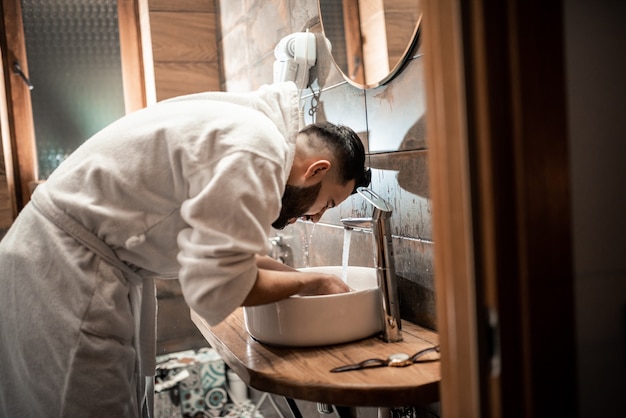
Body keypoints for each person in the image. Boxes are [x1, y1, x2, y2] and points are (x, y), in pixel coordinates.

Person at [0, 81, 370, 417]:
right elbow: (214, 288)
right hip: (64, 272)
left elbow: (225, 255)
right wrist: (311, 286)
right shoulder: (259, 151)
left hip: (53, 256)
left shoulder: (253, 130)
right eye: (328, 204)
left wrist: (305, 278)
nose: (316, 217)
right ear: (317, 170)